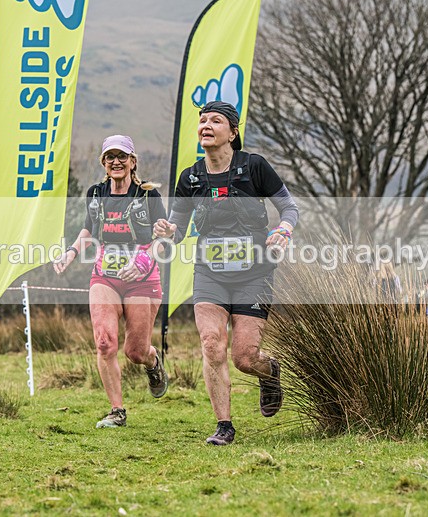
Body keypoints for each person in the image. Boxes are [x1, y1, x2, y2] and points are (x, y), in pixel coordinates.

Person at [153, 101, 300, 445]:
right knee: (211, 345)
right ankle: (224, 425)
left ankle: (269, 371)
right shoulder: (191, 178)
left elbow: (288, 206)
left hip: (255, 273)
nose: (206, 125)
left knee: (245, 357)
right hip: (210, 273)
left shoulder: (254, 167)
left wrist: (284, 229)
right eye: (202, 120)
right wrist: (167, 230)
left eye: (215, 121)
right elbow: (178, 225)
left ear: (232, 133)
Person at [53, 135, 169, 429]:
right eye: (109, 157)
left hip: (142, 279)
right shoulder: (96, 193)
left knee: (135, 352)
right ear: (103, 163)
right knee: (104, 343)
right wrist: (70, 253)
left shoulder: (148, 196)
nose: (116, 161)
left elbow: (163, 240)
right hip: (105, 275)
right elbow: (89, 229)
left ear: (132, 162)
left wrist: (143, 260)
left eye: (122, 156)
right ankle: (117, 411)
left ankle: (153, 362)